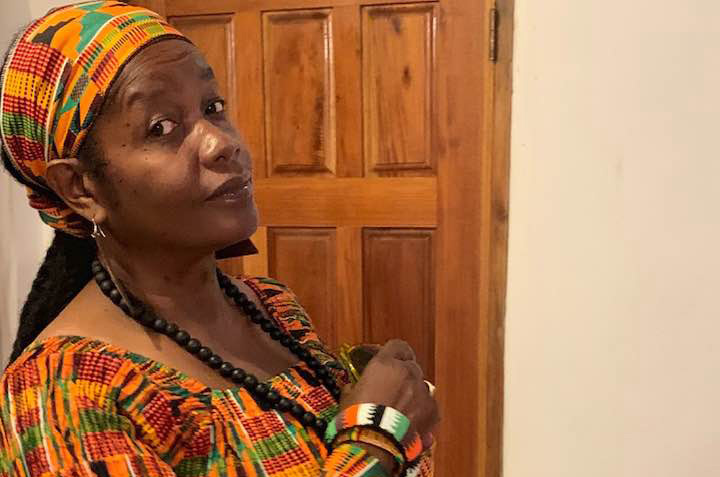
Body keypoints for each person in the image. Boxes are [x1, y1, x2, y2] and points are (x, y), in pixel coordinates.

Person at [0, 2, 438, 476]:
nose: (223, 143)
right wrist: (378, 436)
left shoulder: (272, 307)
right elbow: (367, 443)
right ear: (80, 188)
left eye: (213, 107)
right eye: (162, 128)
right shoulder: (62, 395)